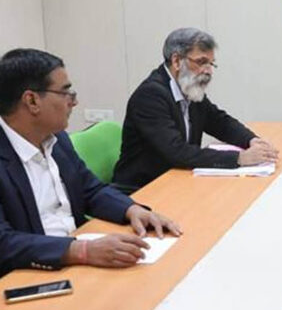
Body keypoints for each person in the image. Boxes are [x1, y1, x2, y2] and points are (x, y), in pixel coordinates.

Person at [0, 48, 182, 277]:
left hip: (78, 256)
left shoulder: (57, 139)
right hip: (31, 271)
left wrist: (131, 210)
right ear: (32, 101)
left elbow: (90, 190)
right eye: (65, 93)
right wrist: (81, 251)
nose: (74, 102)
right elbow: (4, 242)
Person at [113, 27, 279, 190]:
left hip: (177, 179)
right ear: (177, 61)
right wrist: (240, 158)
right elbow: (177, 151)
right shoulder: (150, 96)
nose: (208, 71)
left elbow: (219, 121)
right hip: (142, 189)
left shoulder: (188, 87)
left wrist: (251, 140)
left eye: (211, 63)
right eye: (201, 62)